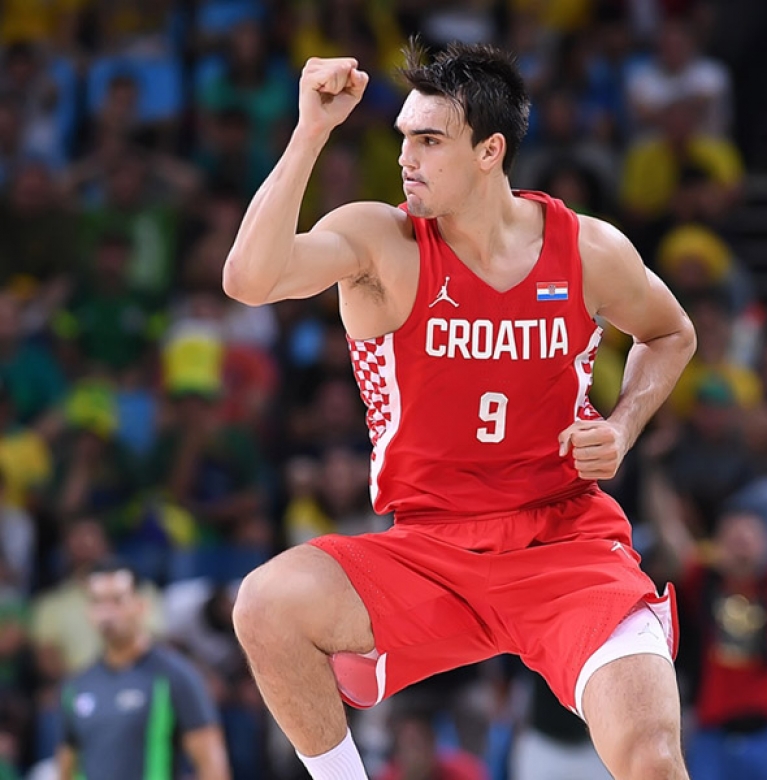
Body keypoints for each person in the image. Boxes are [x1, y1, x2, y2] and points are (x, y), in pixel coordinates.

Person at [222, 42, 697, 780]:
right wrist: (311, 130)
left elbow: (670, 333)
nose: (406, 158)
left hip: (565, 543)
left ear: (489, 151)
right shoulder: (382, 241)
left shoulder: (587, 250)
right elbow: (249, 281)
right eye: (403, 137)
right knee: (265, 606)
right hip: (429, 549)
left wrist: (623, 425)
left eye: (429, 140)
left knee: (654, 759)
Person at [649, 427, 767, 780]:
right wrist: (654, 468)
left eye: (750, 534)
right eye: (732, 534)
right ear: (717, 545)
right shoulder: (703, 580)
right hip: (714, 734)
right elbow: (667, 531)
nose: (740, 540)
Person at [56, 560, 229, 780]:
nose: (107, 613)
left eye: (117, 600)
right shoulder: (77, 685)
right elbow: (66, 768)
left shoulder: (176, 676)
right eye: (98, 602)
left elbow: (213, 768)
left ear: (140, 605)